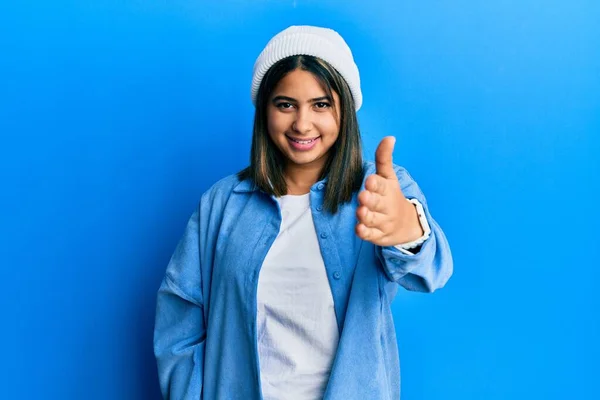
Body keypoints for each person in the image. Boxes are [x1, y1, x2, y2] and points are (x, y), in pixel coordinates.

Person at [154, 25, 453, 400]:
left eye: (321, 104)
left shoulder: (379, 189)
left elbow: (430, 270)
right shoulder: (221, 203)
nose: (302, 123)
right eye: (285, 104)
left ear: (344, 109)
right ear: (265, 111)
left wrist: (407, 229)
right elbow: (178, 320)